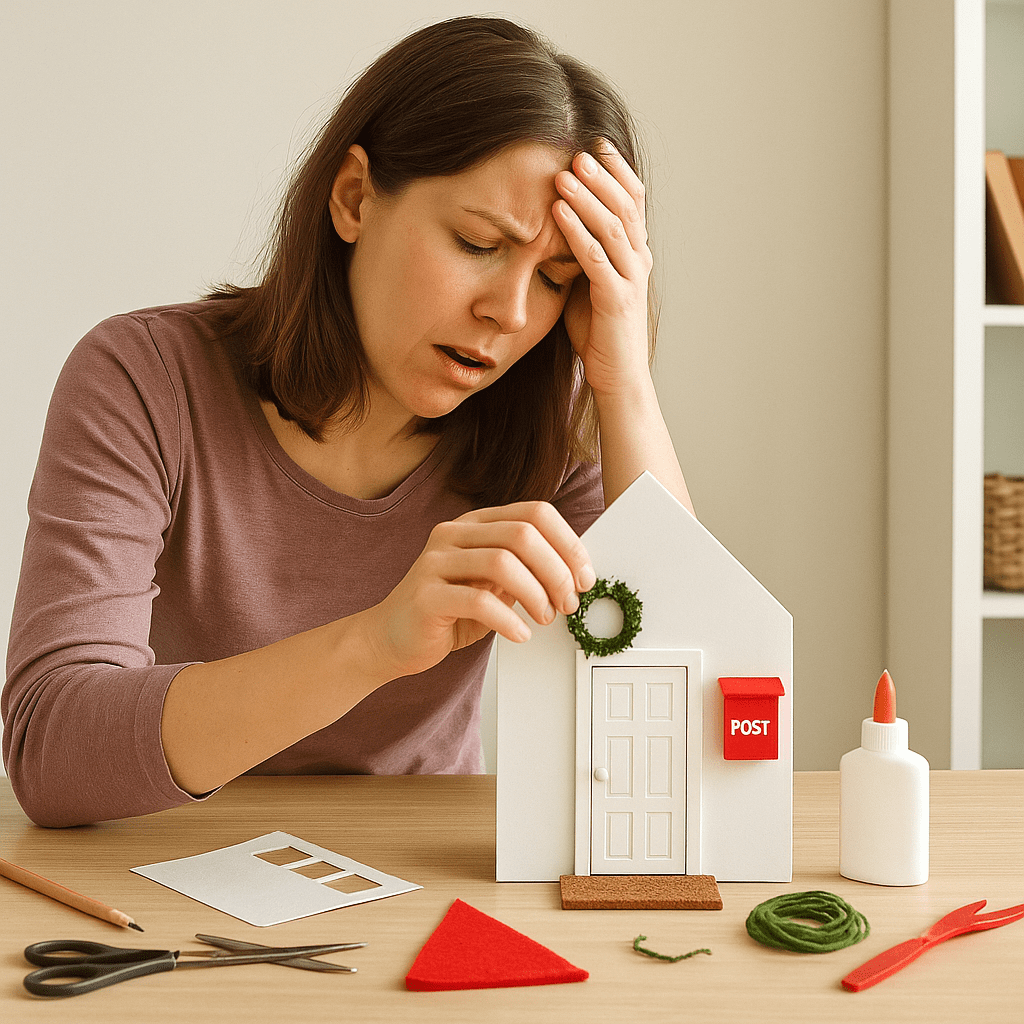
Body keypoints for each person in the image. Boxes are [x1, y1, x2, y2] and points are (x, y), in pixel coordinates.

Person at [2, 16, 693, 827]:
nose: (507, 313)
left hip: (420, 877)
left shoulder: (548, 422)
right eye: (477, 243)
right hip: (159, 862)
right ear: (355, 198)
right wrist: (374, 645)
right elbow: (52, 750)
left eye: (554, 278)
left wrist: (624, 380)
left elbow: (676, 687)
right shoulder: (145, 378)